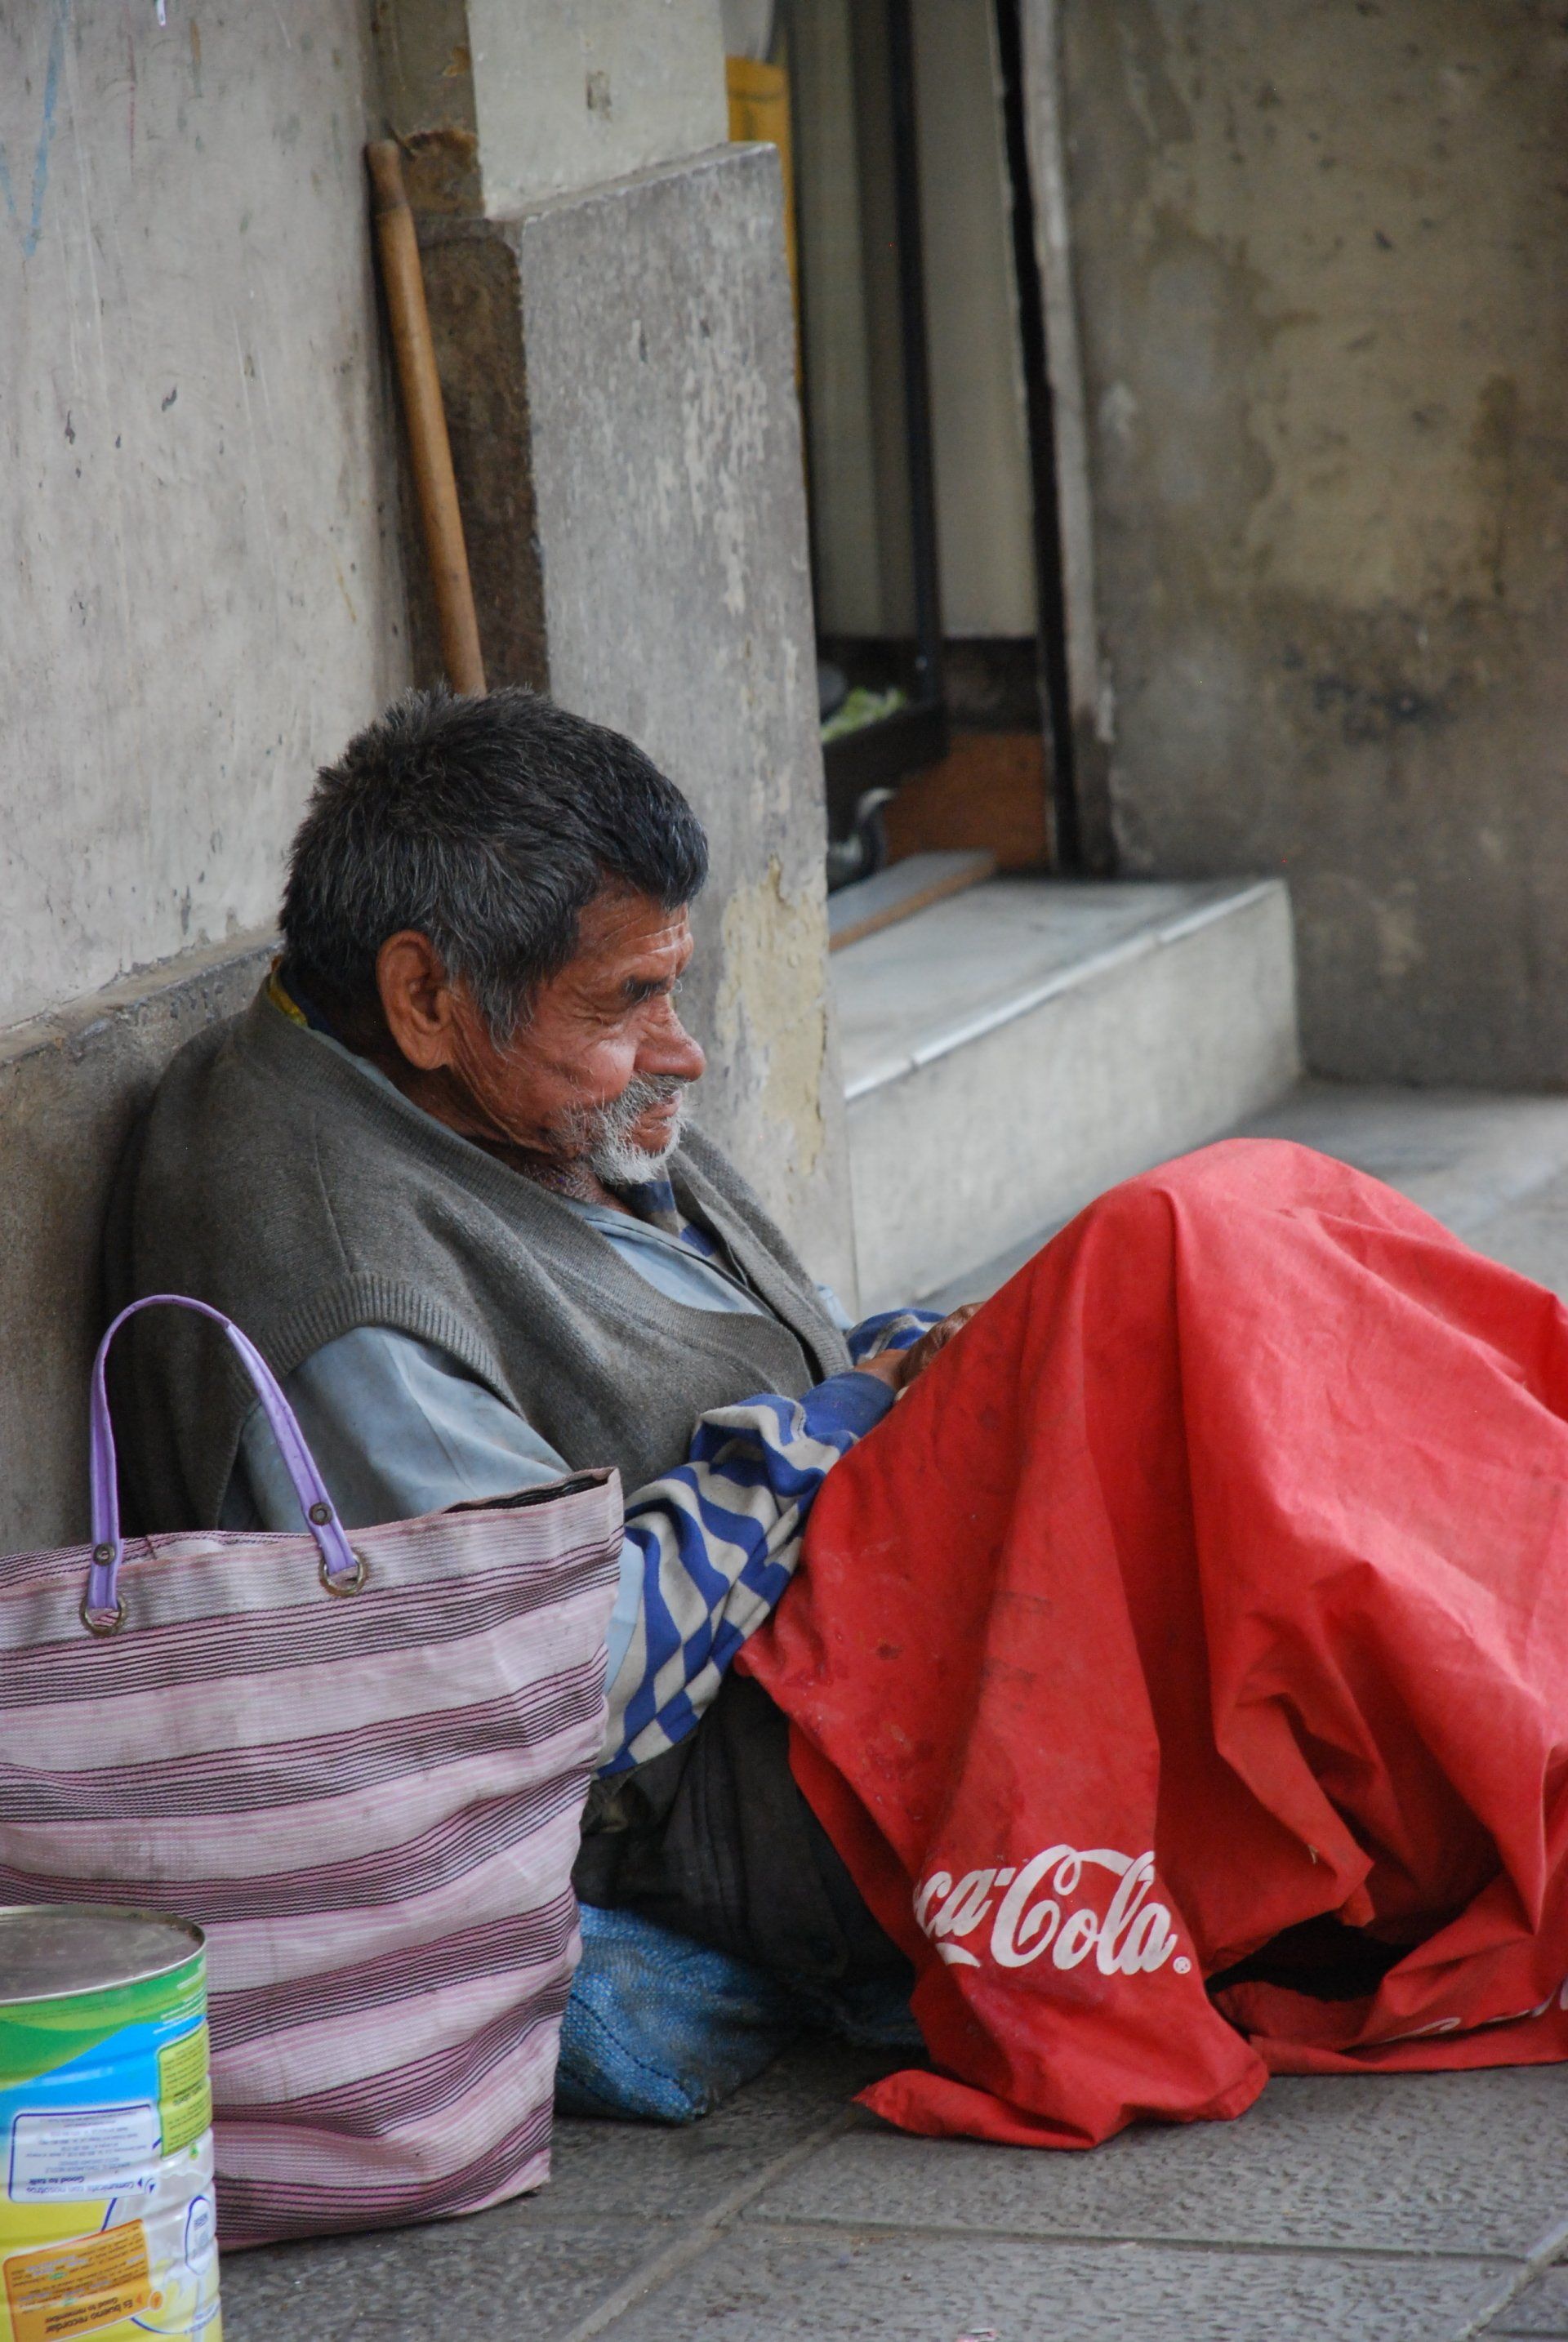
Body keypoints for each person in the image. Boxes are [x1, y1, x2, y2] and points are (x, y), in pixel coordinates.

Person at [105, 685, 966, 1990]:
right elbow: (567, 1677)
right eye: (626, 1002)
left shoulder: (500, 1088)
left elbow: (775, 1348)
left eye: (673, 988)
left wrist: (930, 1365)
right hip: (738, 1801)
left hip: (838, 1653)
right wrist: (840, 1423)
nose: (682, 1052)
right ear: (425, 996)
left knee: (1174, 1307)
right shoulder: (343, 1285)